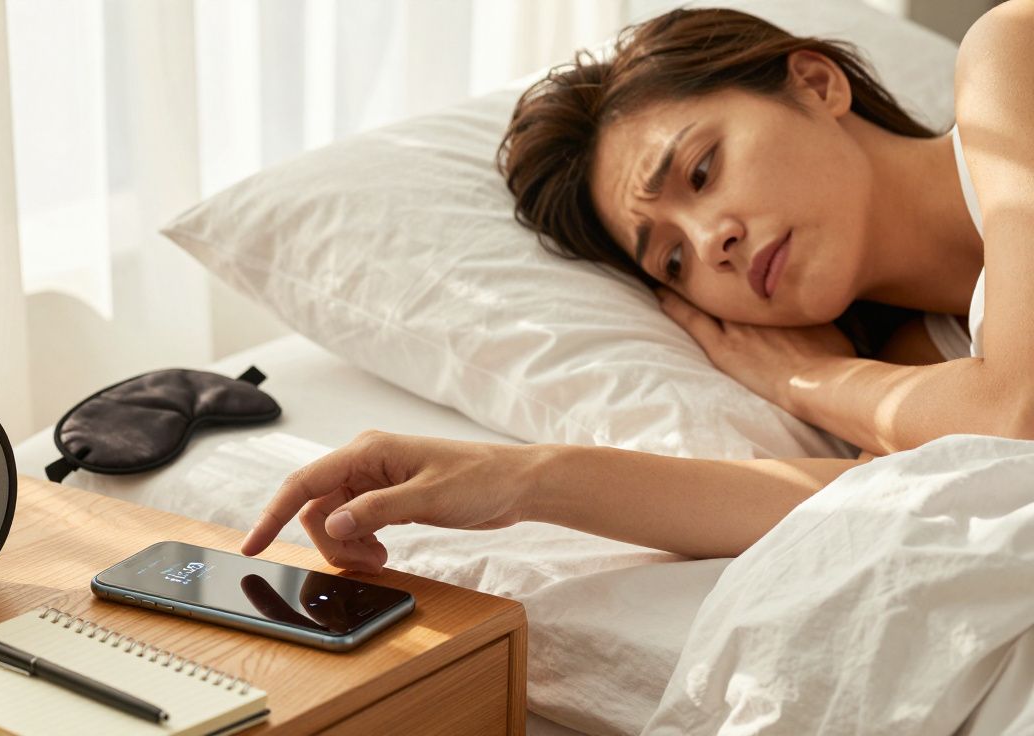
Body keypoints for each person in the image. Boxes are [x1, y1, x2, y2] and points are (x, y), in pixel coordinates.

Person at [240, 3, 1034, 573]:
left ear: (816, 84)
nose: (711, 241)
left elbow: (1016, 412)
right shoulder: (920, 371)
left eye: (699, 169)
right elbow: (833, 505)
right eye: (673, 262)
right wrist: (517, 479)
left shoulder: (1008, 57)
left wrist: (804, 377)